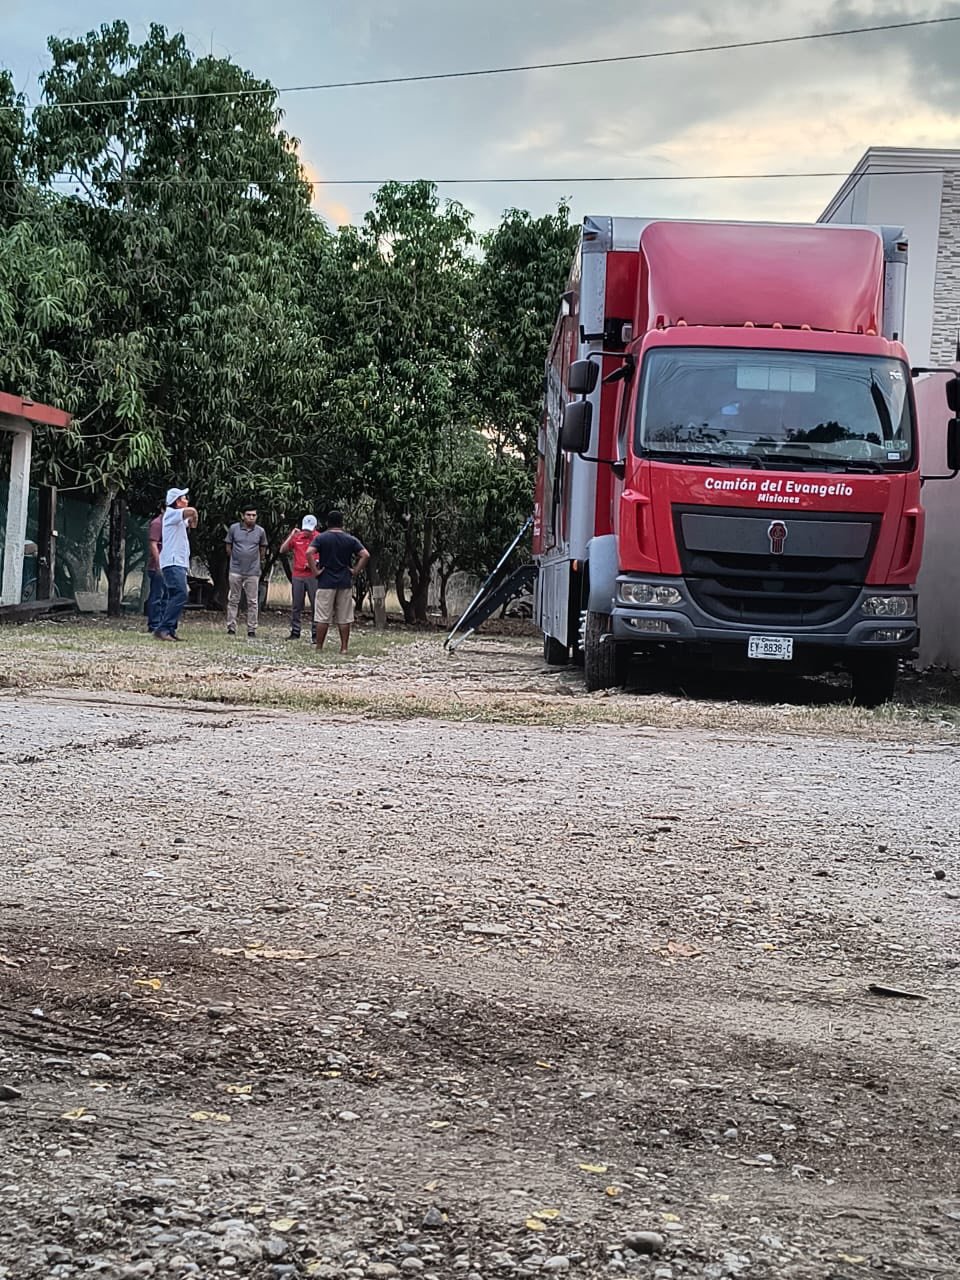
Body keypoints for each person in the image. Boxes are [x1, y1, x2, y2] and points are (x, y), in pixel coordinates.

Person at [306, 510, 369, 654]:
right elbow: (365, 555)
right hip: (344, 581)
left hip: (325, 581)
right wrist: (355, 570)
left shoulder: (321, 538)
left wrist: (315, 571)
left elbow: (309, 552)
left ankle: (319, 647)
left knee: (323, 617)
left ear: (327, 523)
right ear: (342, 523)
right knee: (344, 617)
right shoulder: (350, 539)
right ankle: (344, 648)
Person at [156, 487, 198, 642]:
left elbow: (192, 524)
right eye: (184, 498)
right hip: (173, 561)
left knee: (174, 595)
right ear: (177, 501)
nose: (186, 500)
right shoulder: (171, 514)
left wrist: (193, 518)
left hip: (178, 562)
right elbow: (192, 512)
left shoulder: (177, 518)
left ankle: (170, 630)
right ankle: (164, 628)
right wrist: (193, 513)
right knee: (180, 594)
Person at [225, 505, 268, 638]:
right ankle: (231, 626)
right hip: (235, 569)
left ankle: (251, 628)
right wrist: (234, 559)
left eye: (254, 515)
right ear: (243, 516)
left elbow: (263, 548)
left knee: (253, 601)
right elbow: (228, 546)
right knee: (233, 599)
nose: (251, 517)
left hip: (253, 571)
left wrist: (258, 561)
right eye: (248, 515)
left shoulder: (260, 531)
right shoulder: (234, 529)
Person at [279, 515, 319, 640]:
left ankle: (316, 633)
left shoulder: (319, 538)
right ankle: (295, 631)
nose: (307, 532)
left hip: (313, 575)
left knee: (315, 605)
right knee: (296, 605)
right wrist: (291, 535)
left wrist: (315, 563)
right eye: (305, 529)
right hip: (298, 575)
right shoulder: (297, 537)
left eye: (309, 530)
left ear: (315, 527)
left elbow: (326, 555)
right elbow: (282, 550)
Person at [145, 505, 166, 633]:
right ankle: (154, 624)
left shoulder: (170, 524)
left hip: (167, 565)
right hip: (157, 566)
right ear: (162, 509)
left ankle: (162, 624)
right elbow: (153, 545)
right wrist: (159, 563)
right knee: (157, 596)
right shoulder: (157, 524)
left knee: (165, 597)